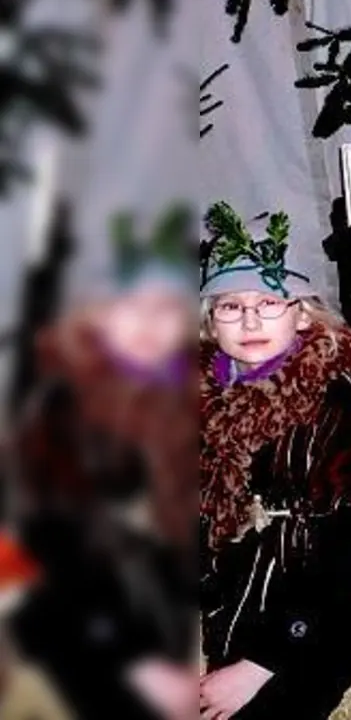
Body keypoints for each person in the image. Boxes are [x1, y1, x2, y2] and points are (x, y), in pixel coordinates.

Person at [197, 204, 351, 719]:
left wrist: (259, 663)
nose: (249, 320)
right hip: (223, 593)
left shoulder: (336, 404)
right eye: (229, 306)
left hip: (317, 609)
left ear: (303, 313)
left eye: (268, 302)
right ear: (209, 321)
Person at [8, 206, 197, 720]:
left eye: (164, 308)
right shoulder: (59, 412)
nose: (148, 326)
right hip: (85, 630)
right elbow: (54, 561)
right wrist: (138, 665)